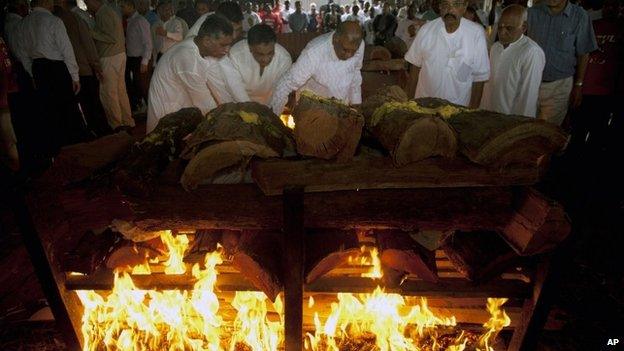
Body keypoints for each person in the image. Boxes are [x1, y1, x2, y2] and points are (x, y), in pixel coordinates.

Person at [17, 0, 90, 152]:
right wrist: (75, 76)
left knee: (49, 111)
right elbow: (66, 50)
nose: (53, 3)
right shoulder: (53, 21)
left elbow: (23, 53)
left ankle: (58, 147)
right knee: (68, 108)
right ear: (44, 2)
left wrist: (32, 73)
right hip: (56, 68)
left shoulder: (23, 24)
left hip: (38, 68)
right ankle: (76, 145)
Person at [147, 15, 234, 133]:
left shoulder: (198, 45)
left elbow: (220, 88)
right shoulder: (188, 58)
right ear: (207, 41)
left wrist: (232, 109)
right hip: (167, 110)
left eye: (229, 45)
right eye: (223, 45)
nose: (227, 50)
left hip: (180, 103)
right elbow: (205, 104)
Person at [404, 0, 489, 108]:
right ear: (440, 7)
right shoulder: (426, 30)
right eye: (445, 5)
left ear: (464, 6)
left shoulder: (476, 33)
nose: (450, 10)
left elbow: (479, 78)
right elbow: (414, 69)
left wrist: (471, 113)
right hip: (424, 105)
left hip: (458, 110)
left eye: (456, 4)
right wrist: (409, 105)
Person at [270, 21, 364, 115]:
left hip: (341, 107)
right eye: (345, 50)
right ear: (336, 39)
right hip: (312, 111)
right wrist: (275, 116)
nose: (349, 55)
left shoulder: (358, 45)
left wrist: (356, 102)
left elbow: (355, 71)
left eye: (353, 51)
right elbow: (285, 84)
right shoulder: (314, 53)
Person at [527, 0, 597, 126]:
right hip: (530, 83)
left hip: (559, 86)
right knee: (525, 129)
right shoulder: (531, 13)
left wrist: (579, 84)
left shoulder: (580, 16)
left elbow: (584, 52)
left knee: (547, 132)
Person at [55, 0, 112, 137]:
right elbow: (88, 45)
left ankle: (91, 132)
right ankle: (103, 133)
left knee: (82, 106)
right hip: (83, 67)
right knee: (93, 103)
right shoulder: (75, 18)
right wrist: (96, 66)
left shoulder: (55, 19)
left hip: (65, 69)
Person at [480, 5, 545, 117]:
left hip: (510, 120)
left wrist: (519, 125)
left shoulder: (531, 52)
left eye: (509, 28)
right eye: (500, 27)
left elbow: (528, 96)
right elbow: (488, 87)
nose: (502, 32)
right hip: (488, 114)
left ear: (524, 27)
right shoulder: (496, 48)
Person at [85, 0, 135, 130]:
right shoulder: (108, 11)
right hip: (118, 55)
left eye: (87, 2)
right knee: (120, 91)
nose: (87, 5)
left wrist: (91, 33)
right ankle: (127, 121)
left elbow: (111, 37)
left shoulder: (104, 13)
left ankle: (117, 125)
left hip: (110, 56)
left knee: (108, 93)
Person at [223, 24, 292, 104]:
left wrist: (271, 114)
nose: (266, 59)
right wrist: (251, 113)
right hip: (239, 104)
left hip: (269, 105)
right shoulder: (235, 55)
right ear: (250, 48)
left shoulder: (284, 59)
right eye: (260, 54)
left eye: (270, 53)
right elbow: (235, 88)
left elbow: (280, 93)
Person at [121, 0, 153, 113]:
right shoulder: (129, 21)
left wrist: (145, 62)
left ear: (131, 6)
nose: (121, 9)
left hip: (141, 58)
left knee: (144, 86)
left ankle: (152, 109)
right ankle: (142, 107)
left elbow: (148, 43)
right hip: (132, 58)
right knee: (137, 85)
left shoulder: (141, 21)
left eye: (123, 6)